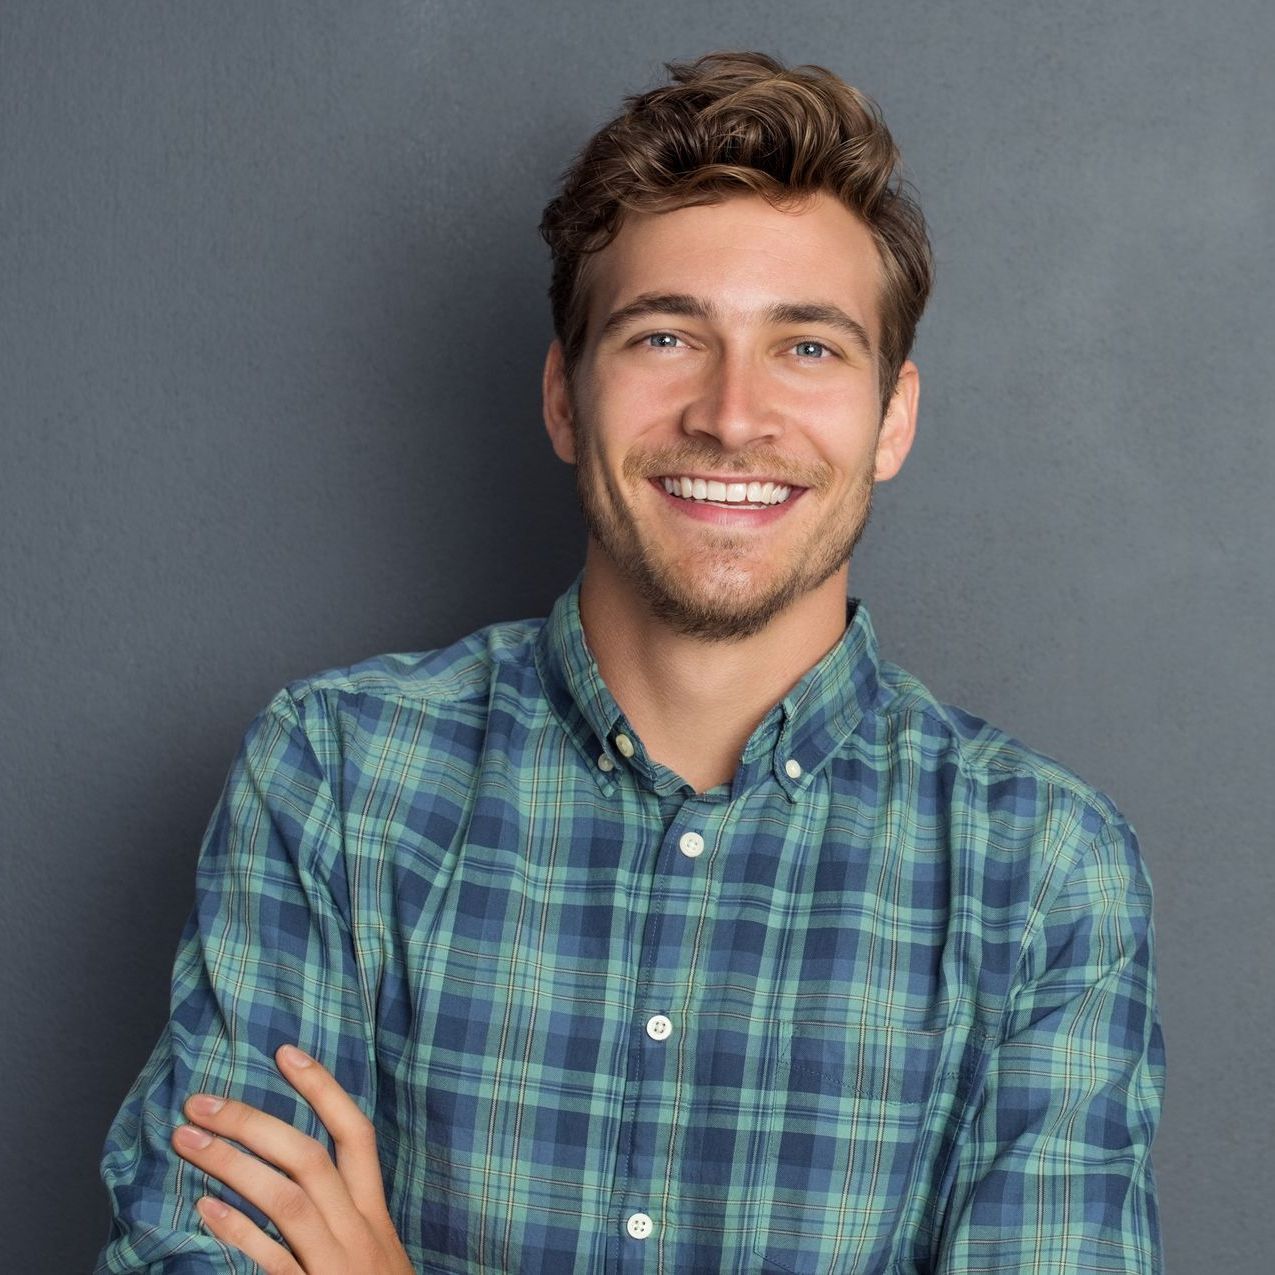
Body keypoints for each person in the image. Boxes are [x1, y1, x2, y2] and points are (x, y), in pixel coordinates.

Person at [96, 49, 1165, 1274]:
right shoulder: (338, 778)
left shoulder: (1041, 874)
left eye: (807, 348)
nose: (730, 413)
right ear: (565, 397)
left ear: (894, 419)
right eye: (665, 336)